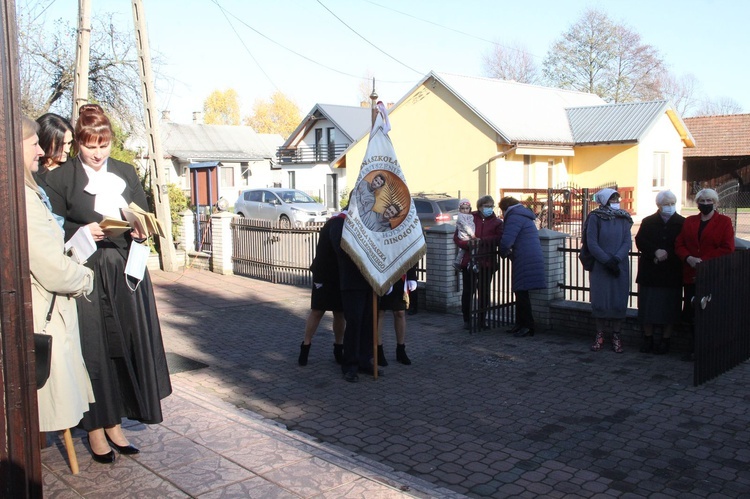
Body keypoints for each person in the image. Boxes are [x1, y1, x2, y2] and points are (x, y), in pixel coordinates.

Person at [45, 104, 172, 463]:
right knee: (94, 351)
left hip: (124, 273)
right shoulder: (60, 178)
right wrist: (80, 231)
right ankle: (97, 429)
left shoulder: (126, 172)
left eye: (104, 145)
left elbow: (144, 216)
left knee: (123, 347)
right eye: (90, 146)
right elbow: (49, 229)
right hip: (85, 272)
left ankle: (116, 423)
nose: (98, 153)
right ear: (78, 144)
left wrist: (141, 229)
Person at [21, 116, 96, 436]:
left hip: (50, 306)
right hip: (44, 313)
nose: (40, 151)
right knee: (41, 409)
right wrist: (85, 278)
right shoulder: (25, 198)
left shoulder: (28, 190)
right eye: (33, 144)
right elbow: (50, 267)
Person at [674, 188, 735, 361]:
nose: (706, 204)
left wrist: (703, 260)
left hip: (712, 273)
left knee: (710, 312)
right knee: (693, 313)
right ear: (698, 203)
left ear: (715, 203)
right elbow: (679, 244)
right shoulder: (689, 222)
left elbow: (727, 247)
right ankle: (694, 348)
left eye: (710, 201)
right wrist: (688, 258)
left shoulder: (724, 221)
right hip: (691, 273)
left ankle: (711, 349)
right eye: (703, 201)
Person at [329, 204, 382, 382]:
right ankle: (350, 365)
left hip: (370, 282)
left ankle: (364, 361)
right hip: (351, 282)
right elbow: (341, 250)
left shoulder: (369, 223)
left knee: (369, 323)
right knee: (355, 323)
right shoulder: (338, 223)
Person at [634, 190, 685, 354]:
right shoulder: (648, 221)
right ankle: (648, 338)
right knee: (648, 307)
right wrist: (654, 252)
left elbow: (683, 243)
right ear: (659, 205)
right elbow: (640, 240)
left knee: (670, 308)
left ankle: (666, 339)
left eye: (672, 203)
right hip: (651, 271)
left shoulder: (682, 222)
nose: (669, 207)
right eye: (666, 204)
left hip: (672, 272)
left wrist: (667, 253)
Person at [586, 188, 633, 353]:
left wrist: (617, 259)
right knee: (600, 300)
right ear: (604, 200)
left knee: (618, 301)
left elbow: (627, 241)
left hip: (619, 266)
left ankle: (616, 335)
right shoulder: (595, 217)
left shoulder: (624, 217)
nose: (616, 201)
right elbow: (592, 243)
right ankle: (599, 335)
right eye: (612, 199)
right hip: (601, 266)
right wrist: (606, 260)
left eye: (617, 198)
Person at [299, 214, 345, 366]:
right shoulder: (337, 221)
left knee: (339, 313)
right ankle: (305, 346)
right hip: (324, 273)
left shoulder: (351, 222)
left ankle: (339, 347)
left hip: (339, 275)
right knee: (318, 311)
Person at [453, 195, 503, 330]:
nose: (489, 208)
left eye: (491, 206)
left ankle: (481, 319)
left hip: (487, 262)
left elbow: (498, 238)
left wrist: (482, 240)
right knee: (468, 291)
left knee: (484, 292)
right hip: (470, 261)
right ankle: (467, 319)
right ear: (479, 206)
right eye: (486, 206)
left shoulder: (497, 222)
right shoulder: (470, 217)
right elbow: (457, 236)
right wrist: (467, 244)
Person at [498, 197, 545, 338]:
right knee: (520, 292)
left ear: (505, 208)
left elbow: (507, 241)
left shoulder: (514, 217)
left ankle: (528, 326)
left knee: (522, 293)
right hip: (529, 256)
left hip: (524, 257)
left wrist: (502, 252)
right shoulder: (521, 214)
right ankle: (520, 324)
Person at [376, 265, 418, 366]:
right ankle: (378, 350)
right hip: (382, 274)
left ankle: (401, 350)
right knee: (379, 313)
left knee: (400, 312)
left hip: (399, 275)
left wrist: (411, 276)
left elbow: (409, 251)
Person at [453, 199, 475, 270]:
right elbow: (466, 226)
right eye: (463, 208)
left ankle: (457, 262)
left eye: (467, 208)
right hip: (465, 235)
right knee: (473, 247)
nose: (465, 210)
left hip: (468, 235)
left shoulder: (470, 216)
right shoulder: (461, 217)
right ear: (459, 209)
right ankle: (471, 262)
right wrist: (472, 234)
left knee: (463, 250)